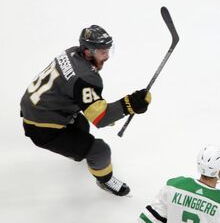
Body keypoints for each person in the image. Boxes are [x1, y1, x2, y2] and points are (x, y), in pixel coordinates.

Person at [20, 25, 151, 196]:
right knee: (100, 150)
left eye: (108, 50)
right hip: (42, 128)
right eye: (102, 52)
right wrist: (130, 104)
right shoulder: (85, 77)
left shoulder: (71, 52)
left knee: (82, 125)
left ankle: (77, 151)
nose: (107, 56)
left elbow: (72, 90)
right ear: (88, 52)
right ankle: (105, 180)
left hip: (35, 107)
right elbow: (101, 118)